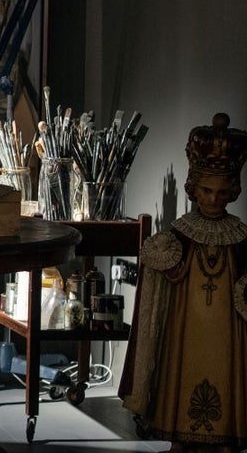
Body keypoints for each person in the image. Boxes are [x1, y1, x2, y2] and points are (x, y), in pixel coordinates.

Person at [120, 113, 247, 452]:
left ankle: (226, 437)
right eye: (206, 190)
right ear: (194, 186)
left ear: (233, 190)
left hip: (227, 332)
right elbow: (160, 282)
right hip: (185, 328)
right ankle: (179, 435)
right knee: (182, 369)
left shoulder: (240, 237)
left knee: (226, 372)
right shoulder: (180, 233)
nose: (213, 199)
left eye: (222, 192)